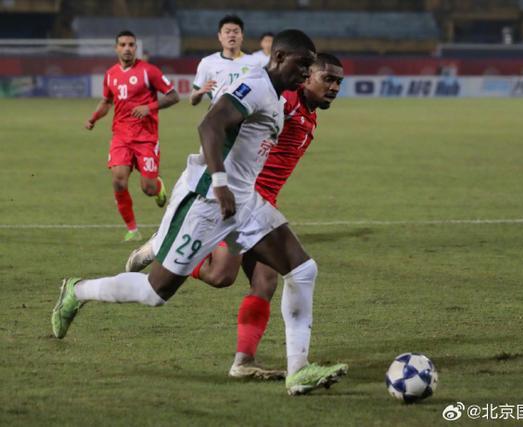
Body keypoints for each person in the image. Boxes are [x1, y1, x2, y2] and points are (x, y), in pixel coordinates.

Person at [52, 30, 348, 396]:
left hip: (246, 202)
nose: (305, 73)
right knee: (155, 292)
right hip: (208, 200)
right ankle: (78, 290)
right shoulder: (257, 86)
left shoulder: (274, 94)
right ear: (279, 58)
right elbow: (210, 124)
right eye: (303, 65)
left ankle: (298, 371)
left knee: (302, 270)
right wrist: (220, 183)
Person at [126, 53, 345, 381]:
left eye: (339, 82)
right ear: (305, 77)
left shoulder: (310, 114)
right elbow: (231, 112)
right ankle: (162, 245)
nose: (334, 87)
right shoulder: (284, 100)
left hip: (263, 205)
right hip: (239, 201)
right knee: (221, 276)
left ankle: (244, 361)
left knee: (266, 280)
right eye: (327, 79)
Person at [85, 30, 180, 242]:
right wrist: (93, 118)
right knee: (118, 182)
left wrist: (149, 107)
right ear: (116, 48)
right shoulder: (111, 74)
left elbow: (173, 96)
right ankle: (132, 229)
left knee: (148, 188)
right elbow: (106, 101)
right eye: (123, 45)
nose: (127, 48)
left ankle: (158, 187)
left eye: (131, 45)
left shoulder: (149, 71)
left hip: (146, 137)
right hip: (121, 136)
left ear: (136, 48)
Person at [190, 15, 261, 107]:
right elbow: (193, 100)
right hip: (219, 114)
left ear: (242, 36)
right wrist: (200, 92)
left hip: (247, 115)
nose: (232, 35)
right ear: (220, 36)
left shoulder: (255, 63)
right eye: (227, 32)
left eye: (236, 32)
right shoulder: (207, 63)